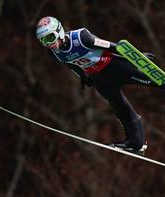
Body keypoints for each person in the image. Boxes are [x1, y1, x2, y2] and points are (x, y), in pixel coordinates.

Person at [35, 16, 158, 154]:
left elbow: (112, 47)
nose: (48, 43)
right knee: (119, 105)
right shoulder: (54, 53)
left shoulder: (81, 37)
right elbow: (70, 65)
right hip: (99, 77)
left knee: (151, 80)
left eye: (50, 38)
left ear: (59, 31)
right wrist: (83, 77)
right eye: (43, 41)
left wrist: (138, 56)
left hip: (114, 67)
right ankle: (136, 143)